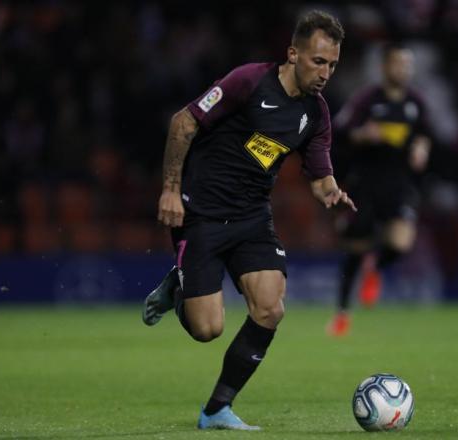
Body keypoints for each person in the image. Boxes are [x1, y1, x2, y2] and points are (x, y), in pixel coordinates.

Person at [141, 10, 355, 431]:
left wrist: (330, 189)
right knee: (207, 329)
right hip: (200, 211)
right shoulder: (248, 81)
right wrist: (169, 189)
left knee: (270, 308)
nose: (325, 72)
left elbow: (318, 170)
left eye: (332, 64)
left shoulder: (316, 113)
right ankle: (179, 285)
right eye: (317, 61)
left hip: (251, 216)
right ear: (293, 54)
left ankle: (217, 409)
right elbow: (183, 123)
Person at [326, 43, 431, 337]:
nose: (403, 70)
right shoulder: (366, 100)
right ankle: (342, 315)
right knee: (355, 249)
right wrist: (363, 135)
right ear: (385, 67)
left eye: (407, 65)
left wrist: (422, 148)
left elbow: (424, 135)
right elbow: (341, 129)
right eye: (398, 64)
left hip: (400, 182)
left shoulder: (416, 103)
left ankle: (376, 266)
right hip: (366, 181)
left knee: (400, 242)